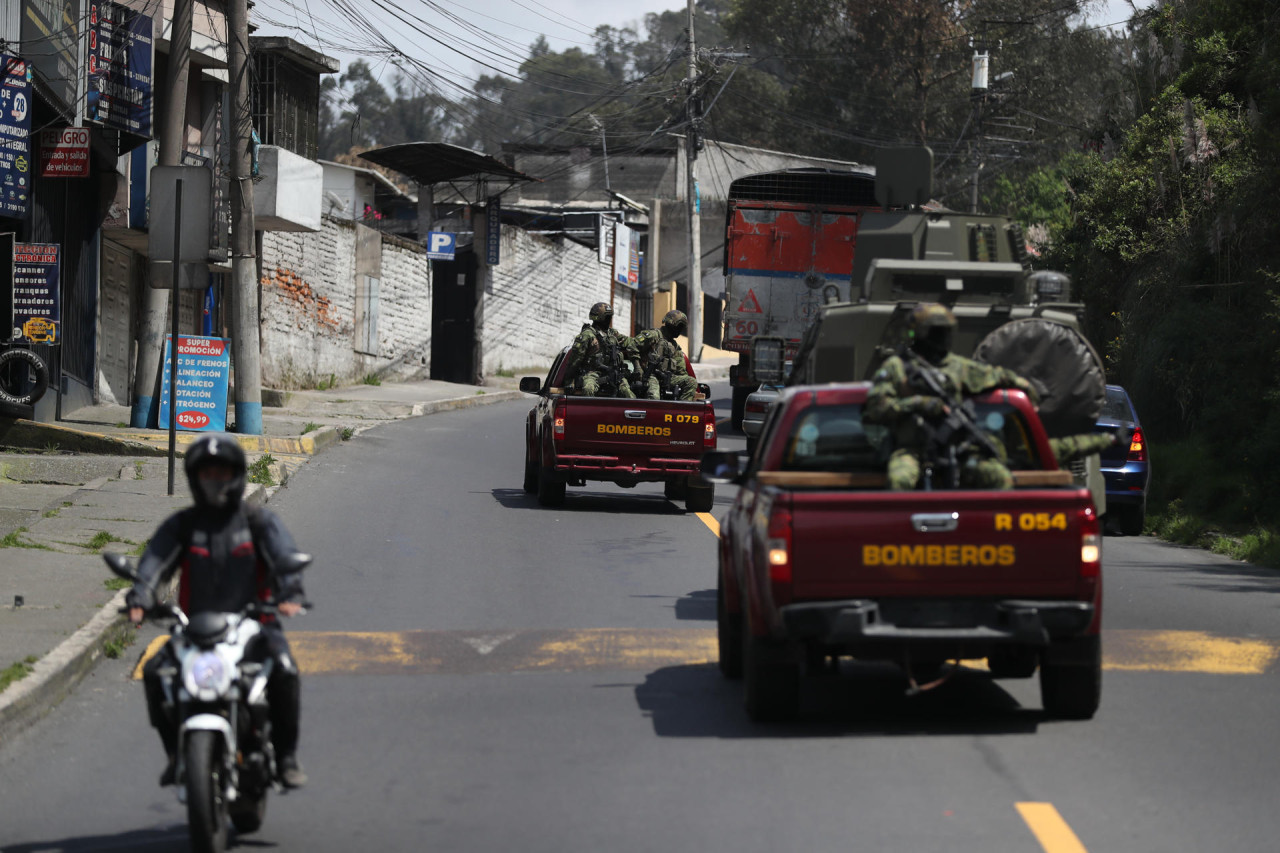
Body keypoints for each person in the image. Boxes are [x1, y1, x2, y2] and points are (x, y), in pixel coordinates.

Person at [126, 435, 310, 789]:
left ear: (237, 476)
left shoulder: (257, 522)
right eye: (207, 474)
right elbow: (153, 563)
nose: (215, 482)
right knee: (154, 671)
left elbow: (284, 555)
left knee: (285, 672)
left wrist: (290, 592)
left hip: (255, 626)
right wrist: (140, 598)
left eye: (221, 474)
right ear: (195, 479)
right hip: (194, 628)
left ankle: (286, 756)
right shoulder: (183, 525)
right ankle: (176, 754)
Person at [864, 303, 1040, 490]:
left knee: (999, 477)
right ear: (919, 333)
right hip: (913, 449)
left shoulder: (959, 367)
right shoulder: (897, 367)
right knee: (899, 480)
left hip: (959, 449)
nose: (943, 337)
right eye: (936, 331)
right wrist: (918, 403)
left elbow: (998, 376)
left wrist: (1026, 388)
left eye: (946, 331)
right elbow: (875, 409)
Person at [562, 302, 638, 398]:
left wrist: (648, 339)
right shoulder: (587, 335)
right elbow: (574, 361)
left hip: (613, 373)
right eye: (608, 317)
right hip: (592, 373)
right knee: (588, 389)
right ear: (601, 318)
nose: (610, 320)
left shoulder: (612, 333)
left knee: (628, 392)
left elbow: (631, 342)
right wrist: (569, 381)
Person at [634, 309, 698, 401]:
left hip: (667, 378)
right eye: (678, 326)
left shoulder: (675, 346)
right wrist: (637, 367)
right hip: (650, 376)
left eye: (682, 327)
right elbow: (632, 346)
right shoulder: (653, 335)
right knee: (654, 398)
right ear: (670, 324)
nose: (679, 331)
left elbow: (681, 371)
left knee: (691, 382)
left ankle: (680, 411)